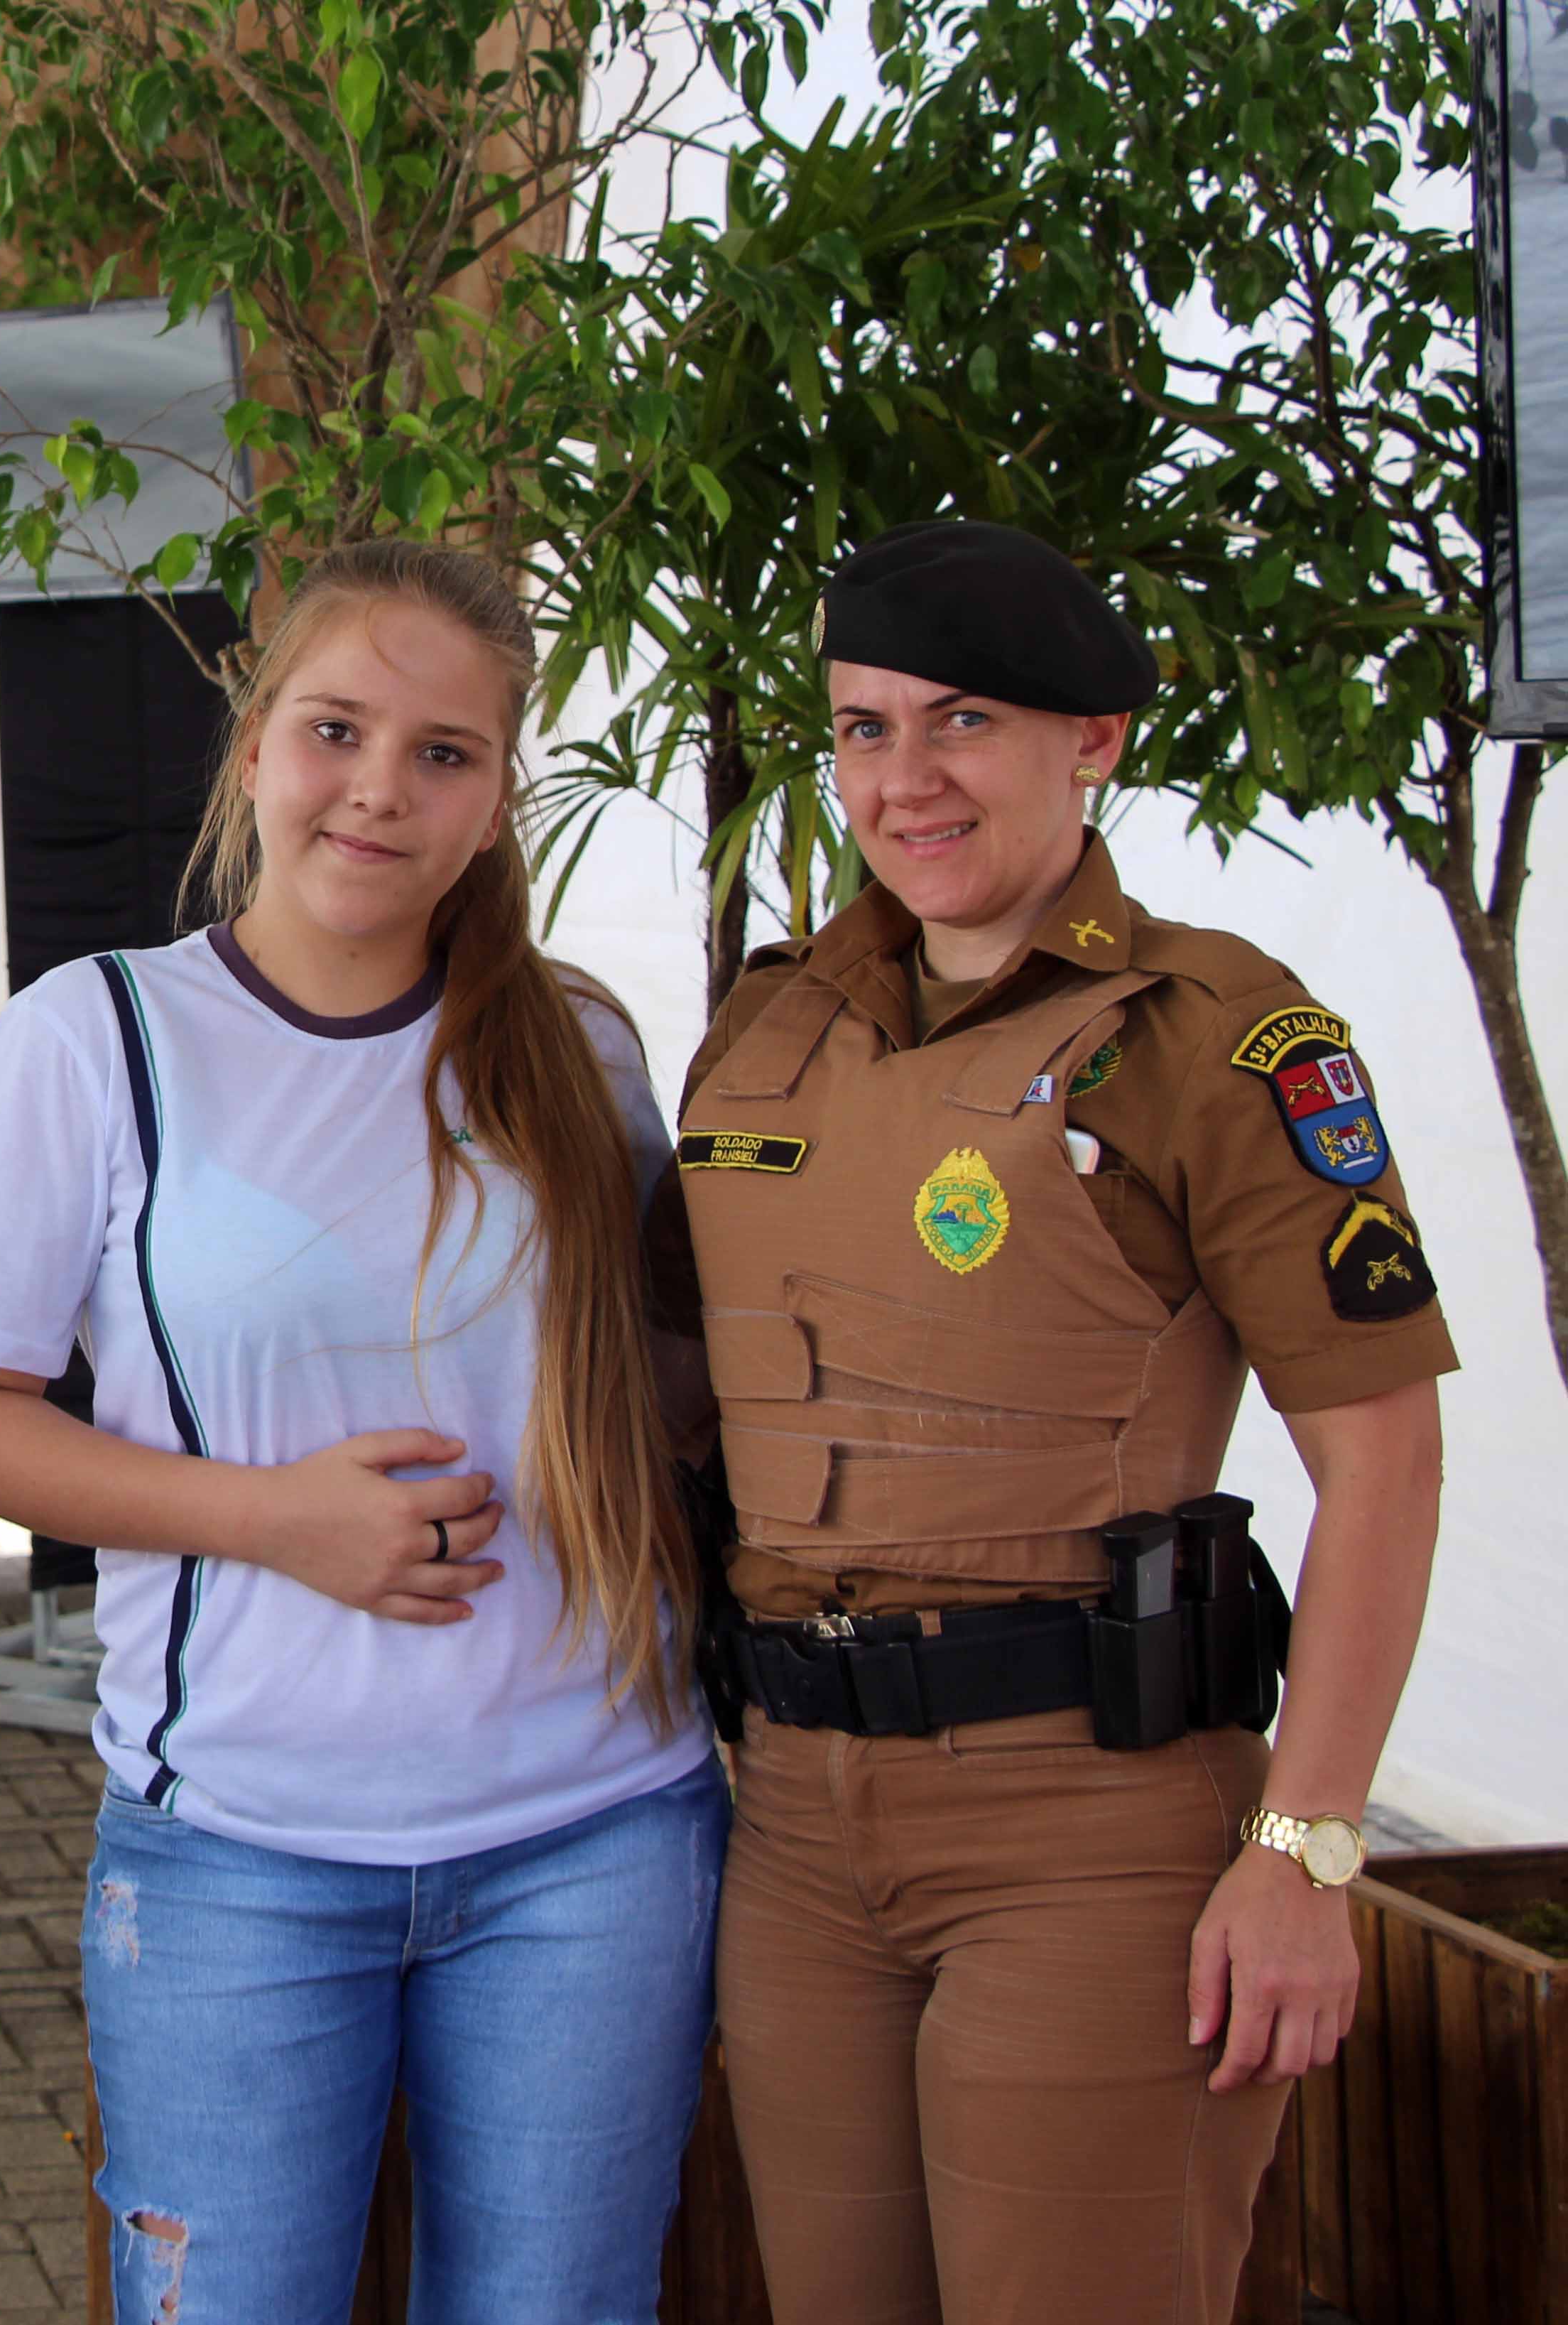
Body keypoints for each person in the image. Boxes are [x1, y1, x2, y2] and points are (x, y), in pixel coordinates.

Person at [0, 540, 729, 2324]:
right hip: (240, 1854)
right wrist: (273, 1515)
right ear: (254, 735)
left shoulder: (577, 1045)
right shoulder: (99, 1037)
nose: (379, 787)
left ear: (502, 794)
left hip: (595, 1835)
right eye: (336, 727)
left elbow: (674, 1401)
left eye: (445, 752)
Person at [674, 520, 1451, 2323]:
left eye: (962, 722)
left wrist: (1308, 1851)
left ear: (1091, 738)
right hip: (793, 1822)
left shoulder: (1218, 1034)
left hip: (1089, 1831)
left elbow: (1385, 1462)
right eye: (862, 728)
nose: (903, 778)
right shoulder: (770, 1028)